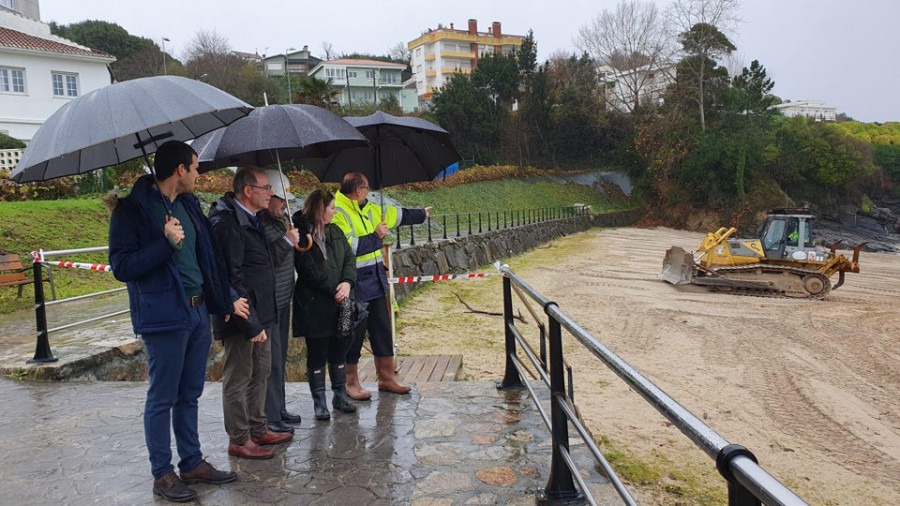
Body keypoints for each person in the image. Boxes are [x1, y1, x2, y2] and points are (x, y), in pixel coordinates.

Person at [109, 140, 244, 503]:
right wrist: (164, 244)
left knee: (190, 394)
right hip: (164, 315)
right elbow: (121, 267)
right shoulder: (132, 212)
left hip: (198, 311)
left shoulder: (186, 204)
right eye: (196, 167)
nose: (199, 174)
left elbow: (207, 255)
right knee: (162, 396)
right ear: (180, 170)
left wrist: (223, 297)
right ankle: (162, 473)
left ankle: (192, 462)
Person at [209, 168, 293, 460]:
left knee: (261, 371)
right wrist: (252, 322)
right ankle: (239, 438)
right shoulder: (226, 223)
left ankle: (259, 428)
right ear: (248, 191)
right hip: (242, 317)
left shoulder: (254, 219)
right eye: (266, 187)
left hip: (262, 312)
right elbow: (232, 277)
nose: (271, 193)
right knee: (239, 376)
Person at [332, 172, 431, 399]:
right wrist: (376, 236)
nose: (370, 192)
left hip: (375, 278)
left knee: (382, 330)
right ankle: (351, 383)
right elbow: (349, 247)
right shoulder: (338, 211)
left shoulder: (368, 206)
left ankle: (387, 378)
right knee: (354, 333)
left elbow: (396, 215)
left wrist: (420, 215)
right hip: (354, 281)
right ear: (358, 191)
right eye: (367, 188)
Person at [292, 189, 358, 420]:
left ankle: (340, 396)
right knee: (317, 353)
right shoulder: (301, 236)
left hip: (340, 305)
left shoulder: (336, 231)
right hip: (314, 306)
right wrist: (335, 289)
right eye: (331, 208)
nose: (335, 211)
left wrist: (347, 283)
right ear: (320, 210)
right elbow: (307, 270)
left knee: (339, 350)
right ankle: (319, 402)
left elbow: (349, 258)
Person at [259, 170, 302, 433]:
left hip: (284, 295)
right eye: (281, 199)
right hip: (271, 299)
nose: (285, 205)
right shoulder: (262, 223)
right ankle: (271, 414)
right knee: (271, 361)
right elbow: (268, 257)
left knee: (281, 356)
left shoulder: (279, 219)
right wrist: (287, 240)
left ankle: (280, 407)